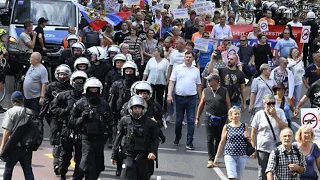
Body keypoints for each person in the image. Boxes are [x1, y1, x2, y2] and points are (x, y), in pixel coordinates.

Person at [121, 81, 165, 178]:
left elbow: (162, 122)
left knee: (147, 171)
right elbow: (123, 122)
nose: (142, 95)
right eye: (140, 93)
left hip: (147, 141)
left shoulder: (155, 106)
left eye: (145, 93)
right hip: (132, 141)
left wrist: (156, 122)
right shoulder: (127, 105)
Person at [70, 77, 112, 179]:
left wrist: (107, 118)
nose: (94, 91)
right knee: (86, 161)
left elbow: (111, 122)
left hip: (100, 137)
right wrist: (82, 119)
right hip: (85, 137)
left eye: (96, 89)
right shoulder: (80, 103)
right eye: (91, 89)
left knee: (98, 164)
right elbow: (71, 122)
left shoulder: (104, 104)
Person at [50, 71, 88, 180]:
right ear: (72, 82)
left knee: (80, 155)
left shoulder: (88, 98)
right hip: (67, 128)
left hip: (82, 129)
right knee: (65, 154)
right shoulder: (64, 96)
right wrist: (66, 111)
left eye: (82, 82)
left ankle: (77, 175)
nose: (79, 84)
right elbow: (53, 108)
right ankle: (62, 173)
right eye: (77, 82)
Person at [111, 95, 159, 180]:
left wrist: (153, 152)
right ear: (131, 109)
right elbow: (118, 138)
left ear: (143, 109)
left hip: (144, 156)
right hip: (128, 154)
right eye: (135, 108)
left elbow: (155, 139)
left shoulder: (150, 123)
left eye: (139, 108)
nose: (137, 110)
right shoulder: (124, 121)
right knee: (127, 173)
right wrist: (113, 155)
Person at [38, 64, 72, 176]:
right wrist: (40, 117)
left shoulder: (71, 88)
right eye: (61, 74)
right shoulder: (51, 87)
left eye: (65, 74)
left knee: (67, 141)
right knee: (56, 140)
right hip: (54, 116)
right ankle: (56, 163)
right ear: (57, 75)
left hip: (68, 117)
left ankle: (65, 161)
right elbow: (46, 102)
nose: (62, 76)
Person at [195, 73, 231, 168]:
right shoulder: (205, 91)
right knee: (210, 138)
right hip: (209, 118)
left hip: (221, 118)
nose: (208, 82)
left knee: (219, 138)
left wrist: (230, 118)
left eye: (210, 80)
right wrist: (197, 118)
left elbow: (228, 104)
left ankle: (216, 156)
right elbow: (201, 104)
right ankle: (211, 159)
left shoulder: (224, 91)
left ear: (216, 81)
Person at [167, 50, 201, 150]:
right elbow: (172, 82)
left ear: (193, 59)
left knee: (191, 120)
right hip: (179, 97)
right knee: (178, 120)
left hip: (192, 98)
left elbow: (198, 85)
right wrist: (169, 95)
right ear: (184, 58)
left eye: (190, 57)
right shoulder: (177, 68)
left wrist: (200, 98)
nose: (188, 59)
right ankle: (178, 137)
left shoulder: (196, 70)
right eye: (186, 57)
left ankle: (189, 142)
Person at [251, 94, 288, 180]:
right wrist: (253, 148)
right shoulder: (259, 114)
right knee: (263, 171)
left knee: (278, 171)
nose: (271, 106)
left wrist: (275, 116)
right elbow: (253, 132)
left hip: (277, 148)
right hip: (263, 148)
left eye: (273, 103)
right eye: (269, 104)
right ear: (264, 104)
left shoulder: (280, 112)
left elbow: (285, 127)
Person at [0, 91, 35, 180]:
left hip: (13, 146)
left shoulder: (11, 112)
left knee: (8, 169)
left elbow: (7, 130)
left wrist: (2, 146)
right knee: (28, 170)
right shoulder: (30, 112)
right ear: (22, 100)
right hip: (26, 147)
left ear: (12, 101)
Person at [213, 107, 249, 179]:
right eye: (235, 114)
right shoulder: (227, 127)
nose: (238, 115)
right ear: (231, 116)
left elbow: (248, 141)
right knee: (232, 177)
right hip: (229, 154)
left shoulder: (244, 126)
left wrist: (248, 137)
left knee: (238, 178)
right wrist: (217, 157)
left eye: (239, 114)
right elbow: (222, 142)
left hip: (242, 155)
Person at [23, 52, 48, 118]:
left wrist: (42, 97)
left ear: (36, 60)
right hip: (26, 96)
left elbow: (44, 83)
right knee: (26, 116)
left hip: (35, 98)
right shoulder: (31, 66)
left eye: (31, 57)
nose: (30, 58)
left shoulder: (42, 70)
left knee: (35, 117)